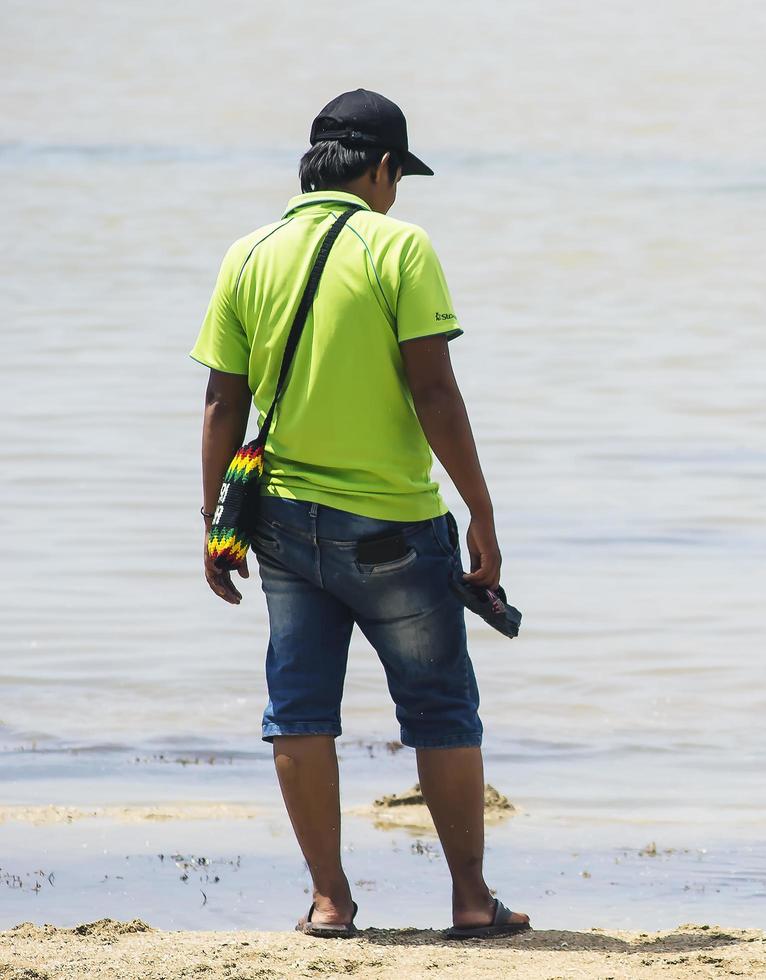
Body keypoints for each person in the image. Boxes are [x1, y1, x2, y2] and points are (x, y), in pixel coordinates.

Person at [191, 89, 530, 939]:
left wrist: (214, 526)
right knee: (442, 709)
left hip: (281, 525)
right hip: (391, 530)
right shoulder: (400, 247)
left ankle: (330, 902)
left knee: (300, 708)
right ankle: (469, 901)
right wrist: (481, 509)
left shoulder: (249, 252)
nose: (396, 191)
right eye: (397, 175)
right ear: (380, 168)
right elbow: (433, 388)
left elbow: (220, 401)